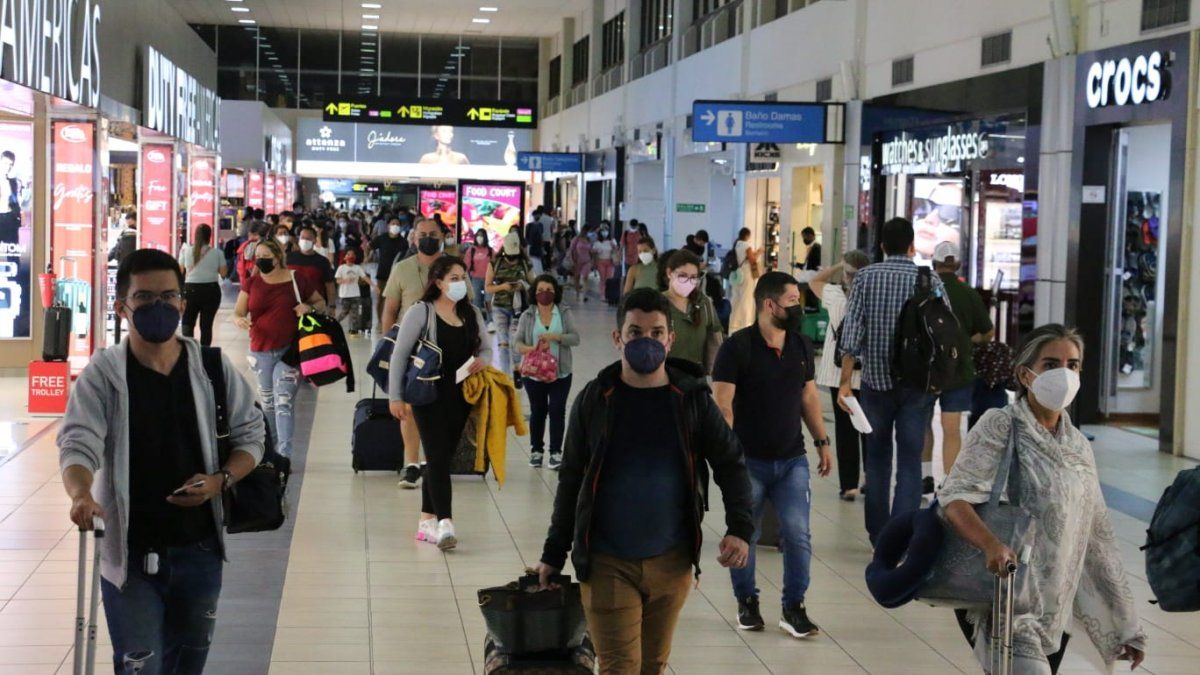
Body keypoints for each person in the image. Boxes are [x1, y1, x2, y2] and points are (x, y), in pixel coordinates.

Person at [59, 249, 265, 675]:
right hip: (130, 554)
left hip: (200, 549)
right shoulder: (104, 375)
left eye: (169, 296)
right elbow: (79, 442)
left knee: (188, 663)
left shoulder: (211, 368)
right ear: (122, 307)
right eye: (145, 297)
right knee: (141, 665)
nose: (160, 306)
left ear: (183, 303)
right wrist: (80, 493)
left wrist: (220, 480)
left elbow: (252, 435)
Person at [533, 288, 754, 675]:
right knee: (620, 668)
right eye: (635, 332)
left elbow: (731, 462)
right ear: (617, 338)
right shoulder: (595, 400)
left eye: (656, 333)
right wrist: (554, 552)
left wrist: (740, 527)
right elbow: (571, 480)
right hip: (606, 562)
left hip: (672, 561)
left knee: (652, 666)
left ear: (671, 339)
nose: (646, 341)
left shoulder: (691, 400)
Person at [941, 324, 1146, 674]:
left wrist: (1125, 624)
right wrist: (991, 545)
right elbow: (955, 498)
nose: (1064, 374)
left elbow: (1097, 536)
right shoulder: (1000, 425)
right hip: (1003, 595)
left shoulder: (1077, 446)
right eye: (1051, 365)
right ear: (1025, 374)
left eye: (1072, 365)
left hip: (1054, 607)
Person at [712, 271, 832, 638]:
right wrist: (726, 455)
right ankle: (747, 601)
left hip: (792, 459)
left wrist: (822, 441)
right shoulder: (737, 348)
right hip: (747, 461)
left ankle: (794, 607)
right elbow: (723, 404)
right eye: (793, 301)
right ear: (770, 305)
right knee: (744, 534)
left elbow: (808, 396)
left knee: (797, 534)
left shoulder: (799, 345)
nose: (799, 307)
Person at [836, 217, 943, 544]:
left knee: (878, 458)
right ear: (912, 246)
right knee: (910, 460)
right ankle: (901, 535)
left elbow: (851, 334)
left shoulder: (866, 277)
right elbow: (944, 332)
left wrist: (844, 382)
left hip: (875, 383)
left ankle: (878, 534)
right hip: (917, 386)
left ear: (881, 246)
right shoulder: (929, 279)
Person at [388, 256, 489, 550]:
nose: (461, 283)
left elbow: (486, 348)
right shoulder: (422, 311)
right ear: (439, 282)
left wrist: (483, 361)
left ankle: (426, 521)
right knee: (436, 455)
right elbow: (399, 355)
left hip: (461, 396)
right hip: (426, 394)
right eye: (454, 278)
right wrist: (395, 397)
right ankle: (445, 523)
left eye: (463, 277)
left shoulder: (471, 313)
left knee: (442, 457)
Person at [231, 238, 326, 458]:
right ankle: (271, 453)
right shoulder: (252, 283)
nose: (262, 261)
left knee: (283, 401)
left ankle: (284, 455)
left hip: (290, 351)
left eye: (266, 257)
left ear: (278, 257)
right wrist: (238, 319)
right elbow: (238, 311)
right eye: (258, 257)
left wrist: (308, 308)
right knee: (268, 404)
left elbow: (320, 302)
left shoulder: (296, 279)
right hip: (260, 350)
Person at [382, 218, 453, 488]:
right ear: (413, 238)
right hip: (410, 349)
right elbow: (390, 310)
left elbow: (468, 305)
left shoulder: (453, 268)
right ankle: (411, 464)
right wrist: (388, 345)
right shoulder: (402, 269)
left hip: (445, 346)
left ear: (442, 236)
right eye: (422, 234)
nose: (427, 239)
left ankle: (433, 462)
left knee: (441, 407)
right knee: (409, 406)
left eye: (432, 234)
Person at [809, 250, 872, 500]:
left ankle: (849, 485)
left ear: (846, 274)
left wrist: (837, 264)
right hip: (867, 373)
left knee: (845, 430)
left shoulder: (835, 295)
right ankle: (870, 478)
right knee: (868, 428)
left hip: (838, 374)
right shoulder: (873, 297)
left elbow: (814, 281)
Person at [930, 241, 994, 477]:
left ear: (934, 263)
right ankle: (949, 483)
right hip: (959, 369)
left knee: (923, 424)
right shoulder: (968, 293)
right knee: (951, 428)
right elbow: (988, 332)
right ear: (957, 264)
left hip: (926, 370)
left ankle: (926, 476)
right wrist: (971, 339)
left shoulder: (923, 290)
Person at [514, 275, 580, 470]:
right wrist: (532, 348)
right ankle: (536, 451)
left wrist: (556, 337)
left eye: (549, 290)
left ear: (555, 292)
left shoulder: (564, 313)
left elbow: (575, 338)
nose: (545, 293)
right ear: (534, 293)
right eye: (541, 290)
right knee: (538, 411)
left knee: (557, 410)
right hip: (533, 373)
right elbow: (517, 343)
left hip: (561, 373)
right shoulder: (527, 315)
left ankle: (555, 452)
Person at [661, 249, 723, 373]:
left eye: (693, 277)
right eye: (683, 275)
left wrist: (714, 374)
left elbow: (715, 343)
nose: (688, 282)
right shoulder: (658, 303)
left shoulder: (703, 303)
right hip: (665, 377)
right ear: (669, 273)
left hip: (696, 378)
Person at [485, 230, 535, 379]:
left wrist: (522, 285)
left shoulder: (525, 263)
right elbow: (488, 287)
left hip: (519, 309)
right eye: (509, 257)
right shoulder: (495, 263)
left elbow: (534, 284)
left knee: (515, 340)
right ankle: (505, 376)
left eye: (514, 257)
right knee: (503, 342)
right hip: (499, 307)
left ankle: (516, 369)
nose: (512, 260)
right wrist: (502, 287)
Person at [178, 224, 227, 347]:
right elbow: (223, 273)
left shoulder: (185, 251)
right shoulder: (217, 253)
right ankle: (204, 352)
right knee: (206, 326)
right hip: (211, 291)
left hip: (190, 290)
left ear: (195, 236)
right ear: (209, 236)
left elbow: (180, 271)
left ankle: (189, 350)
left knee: (187, 322)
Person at [369, 216, 408, 326]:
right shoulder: (382, 238)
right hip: (383, 273)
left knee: (395, 299)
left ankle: (393, 322)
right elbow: (370, 246)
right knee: (381, 298)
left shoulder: (403, 242)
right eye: (393, 224)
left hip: (397, 275)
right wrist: (367, 257)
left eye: (397, 224)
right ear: (388, 226)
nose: (395, 226)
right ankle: (380, 322)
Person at [287, 225, 337, 304]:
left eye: (308, 238)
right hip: (291, 302)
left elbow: (329, 285)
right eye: (302, 238)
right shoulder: (288, 257)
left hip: (315, 304)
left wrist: (332, 305)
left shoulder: (322, 261)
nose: (305, 240)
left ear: (314, 240)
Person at [728, 228, 760, 332]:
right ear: (748, 235)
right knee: (747, 298)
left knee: (736, 298)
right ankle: (747, 322)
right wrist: (759, 252)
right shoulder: (746, 245)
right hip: (746, 274)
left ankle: (734, 322)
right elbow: (752, 260)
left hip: (737, 275)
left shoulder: (737, 244)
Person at [335, 248, 371, 335]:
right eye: (348, 254)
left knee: (355, 313)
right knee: (344, 312)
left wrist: (374, 285)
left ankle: (353, 330)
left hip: (355, 294)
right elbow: (337, 280)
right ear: (344, 257)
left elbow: (365, 277)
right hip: (345, 295)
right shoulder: (341, 268)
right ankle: (334, 323)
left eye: (352, 254)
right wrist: (345, 280)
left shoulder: (357, 268)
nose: (350, 256)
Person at [465, 228, 494, 330]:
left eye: (481, 235)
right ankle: (478, 322)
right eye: (478, 235)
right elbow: (466, 266)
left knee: (488, 300)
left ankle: (490, 322)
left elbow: (495, 264)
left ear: (485, 237)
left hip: (488, 279)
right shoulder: (471, 250)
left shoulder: (490, 251)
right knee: (476, 301)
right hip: (475, 279)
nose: (479, 237)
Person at [568, 225, 595, 300]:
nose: (591, 233)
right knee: (577, 277)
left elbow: (591, 250)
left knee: (585, 277)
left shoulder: (589, 239)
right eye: (589, 231)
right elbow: (571, 249)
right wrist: (571, 260)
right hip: (577, 261)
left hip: (587, 261)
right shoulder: (576, 239)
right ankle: (577, 293)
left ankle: (584, 295)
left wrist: (593, 260)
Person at [592, 225, 617, 294]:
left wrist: (613, 246)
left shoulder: (612, 240)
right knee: (602, 279)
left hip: (611, 262)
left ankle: (608, 293)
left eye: (606, 230)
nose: (605, 232)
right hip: (601, 262)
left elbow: (616, 250)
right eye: (603, 231)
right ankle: (602, 294)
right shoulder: (597, 242)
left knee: (609, 279)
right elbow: (593, 252)